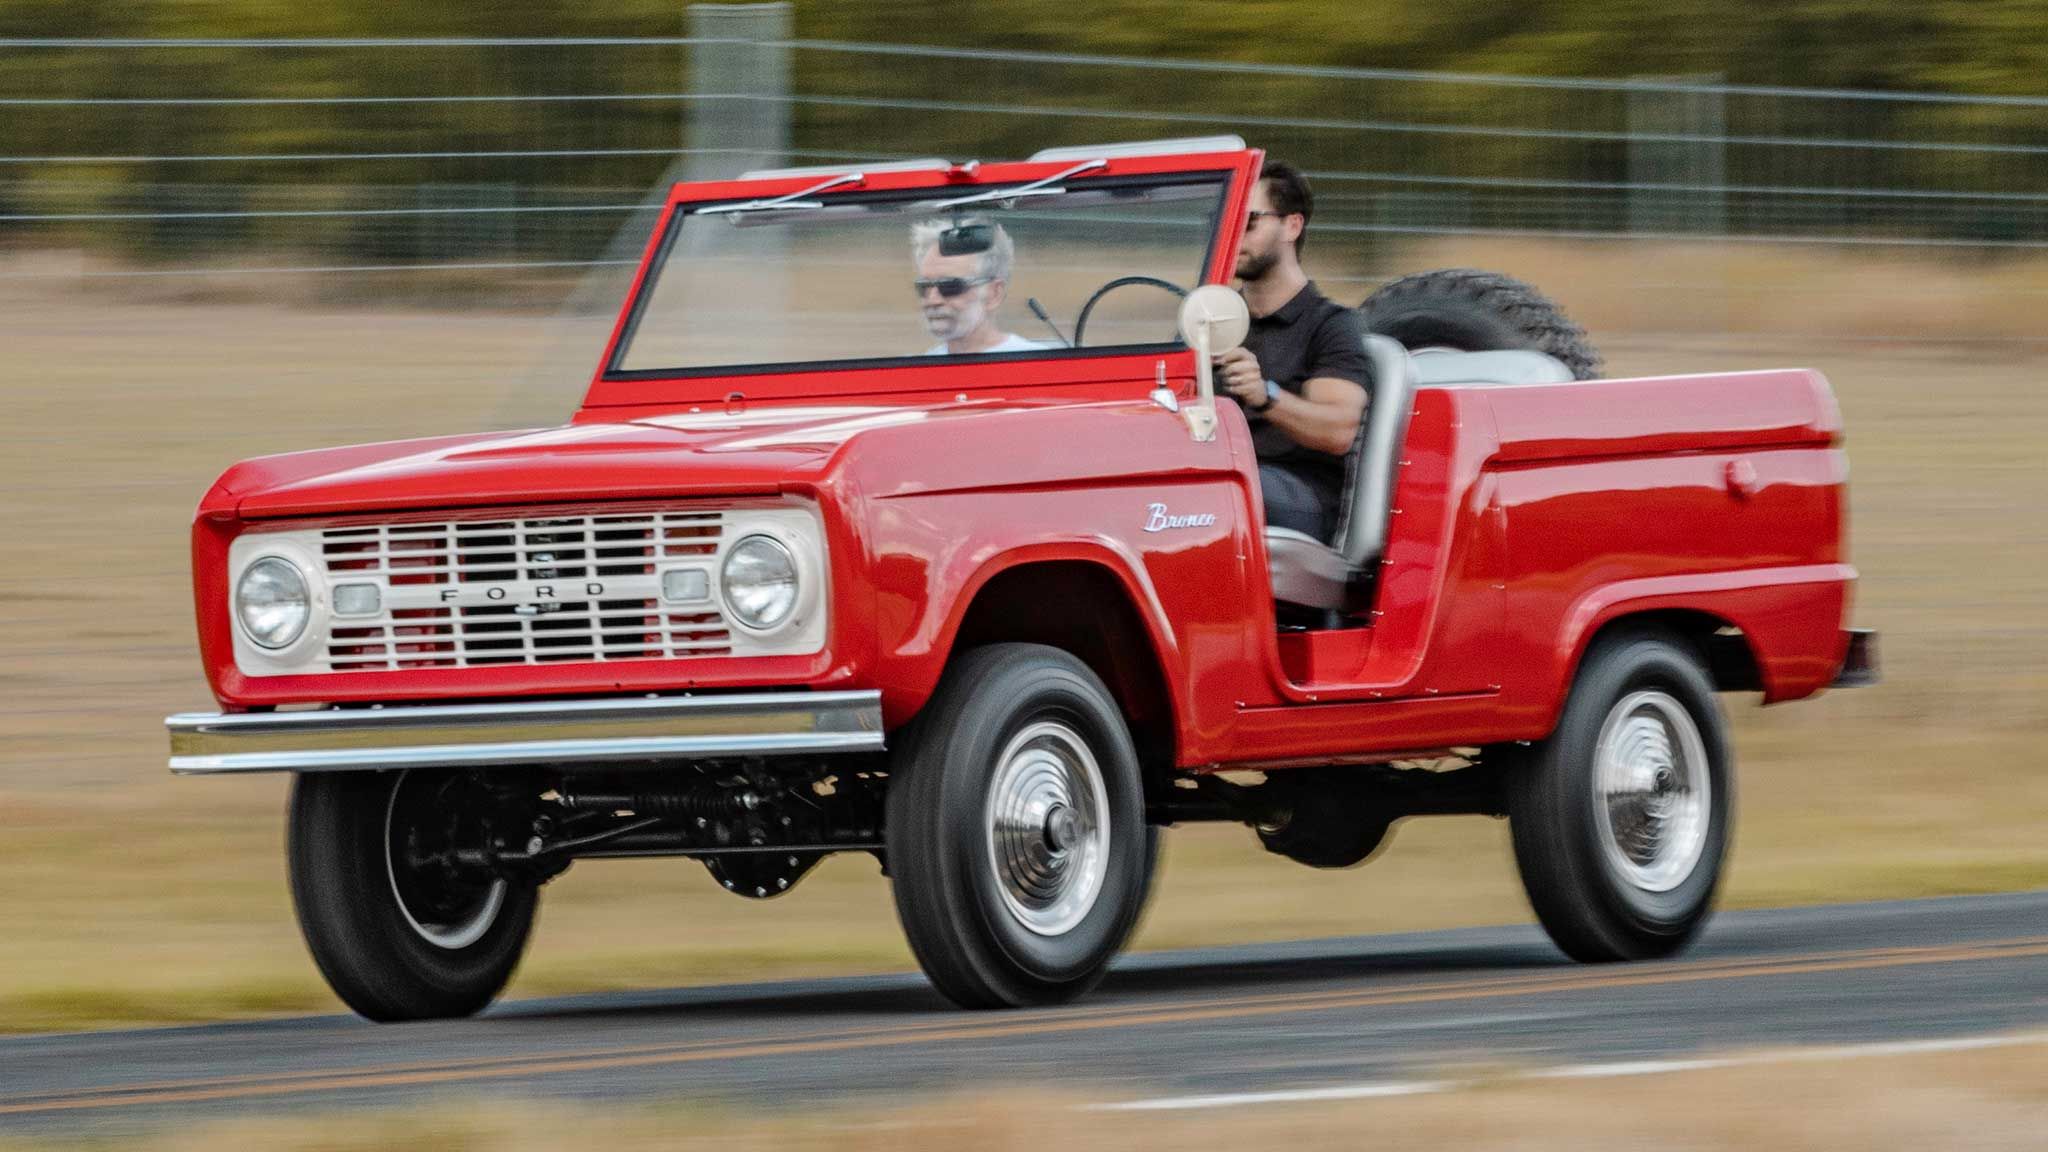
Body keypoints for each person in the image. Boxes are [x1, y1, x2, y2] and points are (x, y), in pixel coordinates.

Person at [1213, 161, 1371, 540]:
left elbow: (1338, 430)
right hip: (1221, 476)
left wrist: (1264, 395)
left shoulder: (1332, 325)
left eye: (1247, 221)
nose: (1233, 236)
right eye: (1225, 221)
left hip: (1302, 495)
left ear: (1292, 226)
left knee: (1215, 494)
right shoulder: (1211, 320)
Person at [911, 217, 1054, 355]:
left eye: (950, 286)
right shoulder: (916, 371)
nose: (933, 300)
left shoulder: (1038, 367)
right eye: (924, 287)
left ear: (993, 294)